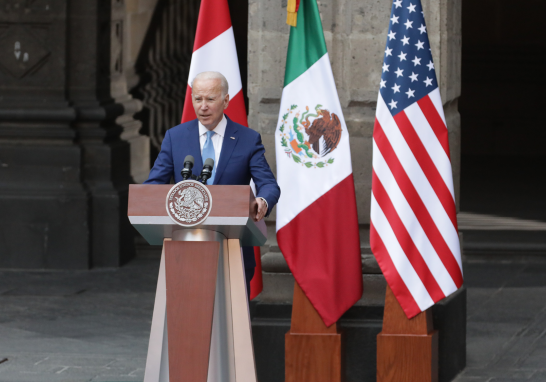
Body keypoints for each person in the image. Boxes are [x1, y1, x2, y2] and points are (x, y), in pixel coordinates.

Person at [144, 71, 280, 295]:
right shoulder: (175, 137)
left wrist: (263, 201)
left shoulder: (247, 139)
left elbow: (268, 184)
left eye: (210, 99)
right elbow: (152, 187)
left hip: (233, 250)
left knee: (232, 324)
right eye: (198, 99)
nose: (203, 106)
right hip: (185, 249)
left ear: (225, 100)